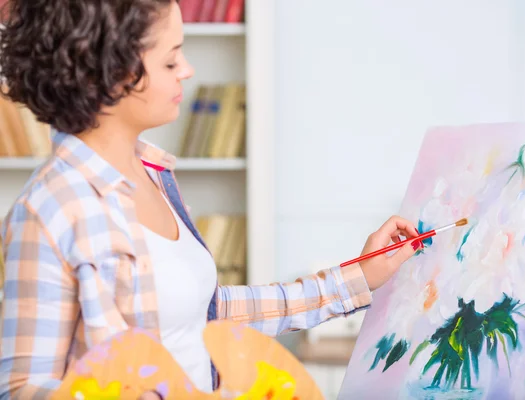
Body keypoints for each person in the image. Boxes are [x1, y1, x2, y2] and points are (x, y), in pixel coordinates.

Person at [0, 1, 421, 398]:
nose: (186, 69)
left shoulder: (154, 175)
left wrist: (358, 278)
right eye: (170, 60)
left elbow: (206, 314)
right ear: (107, 70)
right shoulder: (49, 209)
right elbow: (20, 386)